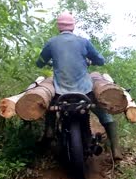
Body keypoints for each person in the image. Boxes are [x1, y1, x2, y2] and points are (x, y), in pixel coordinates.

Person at [36, 12, 123, 161]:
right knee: (103, 112)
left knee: (50, 107)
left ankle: (49, 132)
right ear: (73, 26)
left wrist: (49, 61)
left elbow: (39, 62)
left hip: (60, 92)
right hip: (85, 91)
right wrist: (91, 61)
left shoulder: (51, 43)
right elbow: (100, 60)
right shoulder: (84, 42)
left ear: (59, 27)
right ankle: (116, 149)